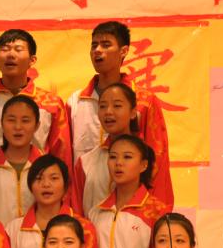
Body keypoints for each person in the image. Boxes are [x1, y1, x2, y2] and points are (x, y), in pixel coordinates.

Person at [66, 21, 171, 208]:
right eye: (94, 45)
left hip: (133, 206)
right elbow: (66, 158)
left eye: (106, 45)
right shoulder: (75, 102)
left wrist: (155, 211)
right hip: (88, 200)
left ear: (124, 51)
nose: (98, 50)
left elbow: (157, 158)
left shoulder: (144, 101)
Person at [0, 29, 71, 168]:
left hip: (37, 178)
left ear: (32, 60)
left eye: (18, 49)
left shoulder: (52, 104)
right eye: (5, 49)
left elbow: (62, 155)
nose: (11, 54)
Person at [88, 135, 171, 248]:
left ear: (143, 165)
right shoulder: (96, 213)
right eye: (113, 157)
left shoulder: (157, 214)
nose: (118, 163)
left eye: (127, 157)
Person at [71, 82, 172, 215]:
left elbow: (159, 205)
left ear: (133, 112)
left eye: (117, 106)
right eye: (102, 106)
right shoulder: (85, 163)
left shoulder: (147, 160)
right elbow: (76, 213)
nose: (108, 112)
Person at [6, 155, 102, 248]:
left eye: (54, 178)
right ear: (30, 186)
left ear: (66, 186)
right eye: (39, 178)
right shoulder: (13, 229)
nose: (46, 184)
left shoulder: (84, 227)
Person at [0, 95, 46, 226]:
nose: (18, 127)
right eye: (11, 120)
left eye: (25, 120)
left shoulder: (48, 167)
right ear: (1, 123)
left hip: (37, 238)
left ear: (37, 125)